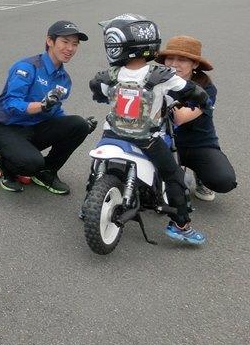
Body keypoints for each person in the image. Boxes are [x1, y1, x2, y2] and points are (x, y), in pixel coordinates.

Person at [89, 15, 212, 245]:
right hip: (146, 139)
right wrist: (203, 102)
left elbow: (97, 91)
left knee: (97, 164)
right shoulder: (161, 76)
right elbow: (194, 93)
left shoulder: (110, 76)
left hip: (112, 135)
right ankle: (180, 225)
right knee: (174, 176)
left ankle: (89, 204)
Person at [0, 21, 97, 194]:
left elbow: (55, 112)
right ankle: (6, 167)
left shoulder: (64, 80)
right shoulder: (27, 67)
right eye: (65, 42)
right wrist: (42, 105)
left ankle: (47, 172)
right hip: (6, 129)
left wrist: (80, 127)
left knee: (79, 125)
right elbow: (11, 104)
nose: (70, 48)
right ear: (50, 41)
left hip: (34, 130)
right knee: (31, 163)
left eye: (75, 44)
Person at [155, 35, 236, 202]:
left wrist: (164, 90)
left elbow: (180, 118)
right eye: (170, 58)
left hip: (197, 145)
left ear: (195, 64)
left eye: (182, 60)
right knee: (152, 191)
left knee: (223, 181)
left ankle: (200, 176)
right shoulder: (154, 80)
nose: (174, 64)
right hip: (161, 142)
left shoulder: (206, 88)